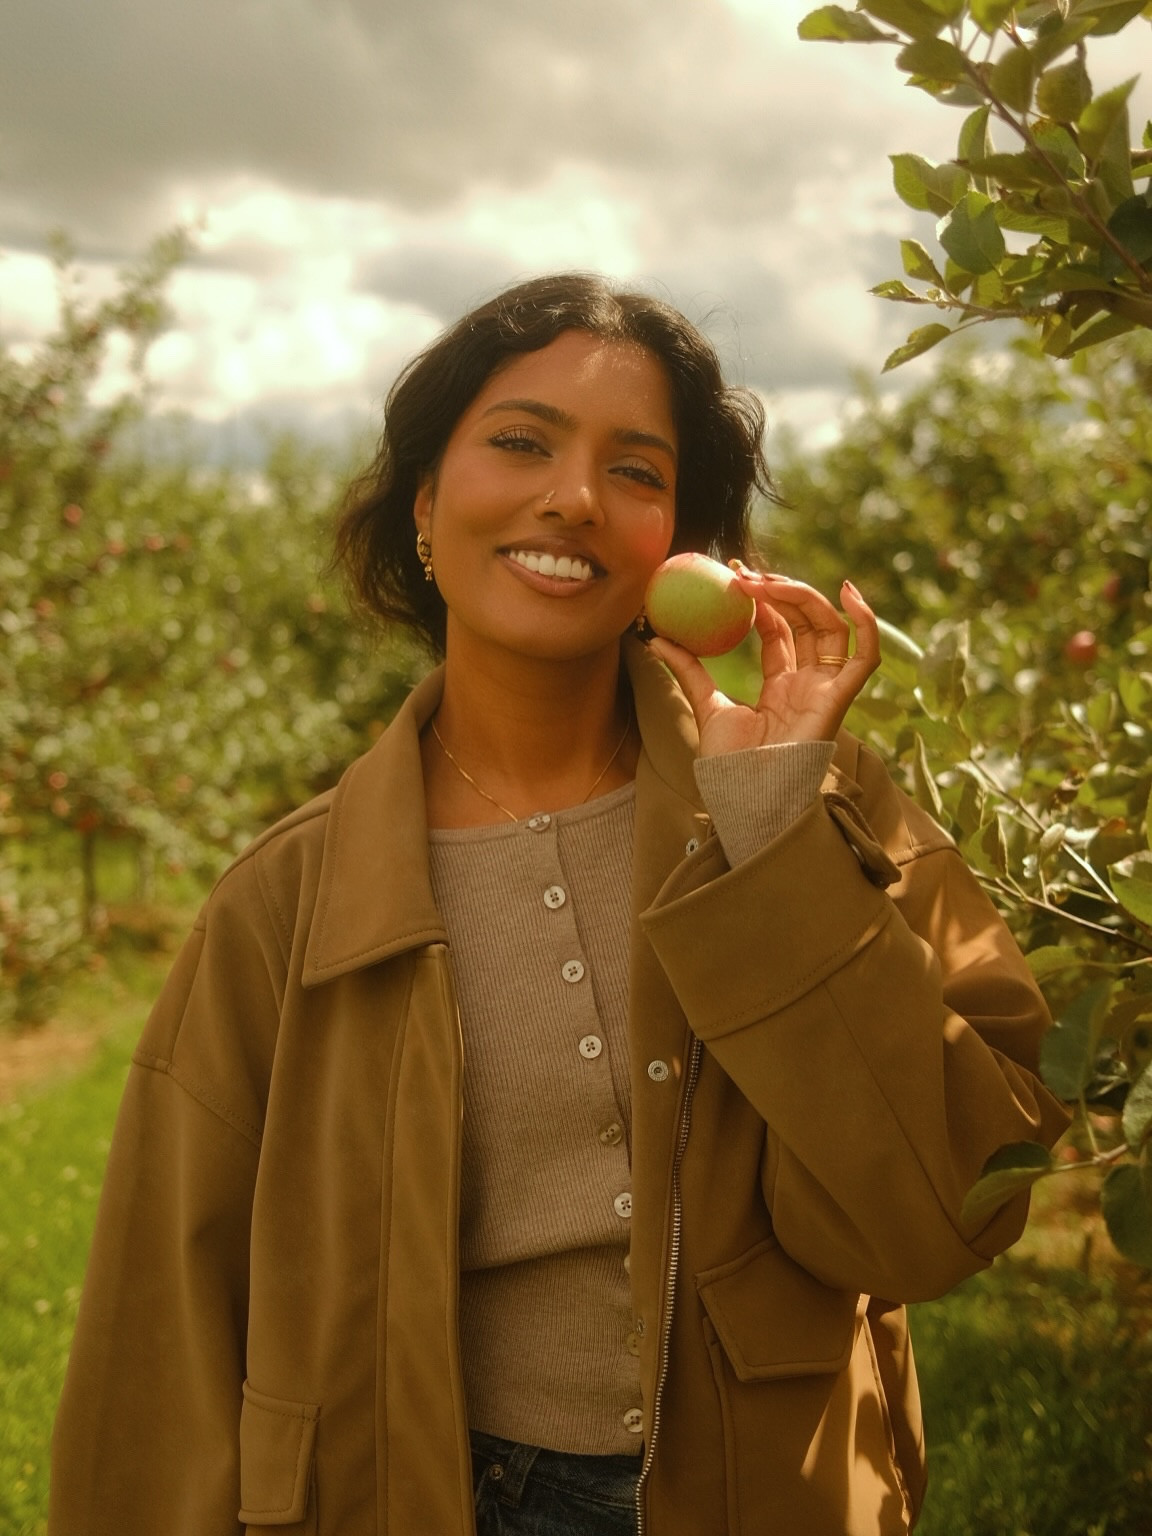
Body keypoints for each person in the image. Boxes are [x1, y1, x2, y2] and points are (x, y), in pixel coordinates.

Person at [49, 274, 1068, 1536]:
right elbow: (163, 1336)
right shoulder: (283, 903)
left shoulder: (814, 801)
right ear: (426, 504)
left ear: (683, 549)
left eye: (636, 473)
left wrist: (774, 842)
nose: (574, 497)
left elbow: (947, 1213)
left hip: (768, 1490)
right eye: (521, 442)